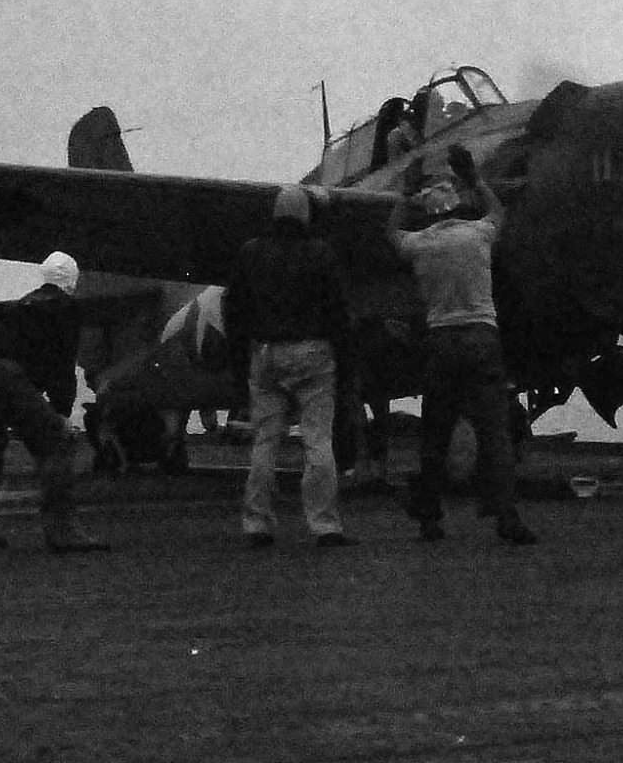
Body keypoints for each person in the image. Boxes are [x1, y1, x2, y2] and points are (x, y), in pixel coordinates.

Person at [385, 143, 537, 546]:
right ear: (457, 206)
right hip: (483, 339)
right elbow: (499, 213)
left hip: (441, 341)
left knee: (436, 432)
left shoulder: (420, 245)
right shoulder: (478, 235)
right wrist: (475, 179)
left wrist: (405, 192)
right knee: (495, 432)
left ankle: (429, 518)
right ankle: (506, 516)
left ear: (429, 212)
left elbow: (392, 232)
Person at [224, 184, 354, 548]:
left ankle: (257, 524)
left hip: (266, 353)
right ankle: (325, 525)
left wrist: (240, 366)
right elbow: (339, 310)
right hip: (314, 353)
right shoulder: (321, 252)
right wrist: (346, 362)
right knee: (318, 440)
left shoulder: (250, 252)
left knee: (265, 441)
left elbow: (234, 309)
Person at [0, 252, 108, 554]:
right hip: (10, 376)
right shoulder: (66, 308)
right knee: (56, 443)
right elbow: (62, 364)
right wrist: (62, 412)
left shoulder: (20, 305)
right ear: (72, 280)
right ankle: (62, 531)